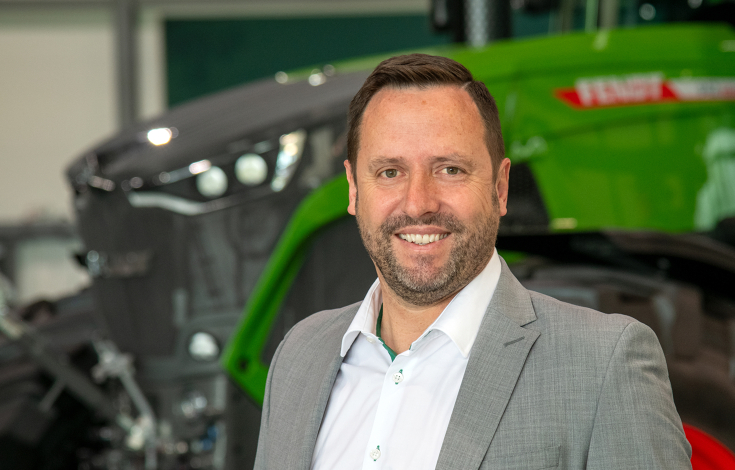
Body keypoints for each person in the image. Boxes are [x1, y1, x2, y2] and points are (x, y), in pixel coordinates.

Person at [253, 54, 692, 469]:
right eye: (390, 171)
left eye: (450, 170)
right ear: (353, 189)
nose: (419, 202)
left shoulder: (604, 364)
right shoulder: (300, 355)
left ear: (500, 188)